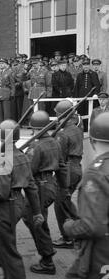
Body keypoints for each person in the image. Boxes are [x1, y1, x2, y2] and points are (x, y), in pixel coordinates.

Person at [0, 120, 42, 279]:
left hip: (5, 205)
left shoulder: (3, 158)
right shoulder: (22, 155)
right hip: (18, 202)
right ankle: (9, 278)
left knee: (7, 247)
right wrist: (37, 211)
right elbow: (32, 186)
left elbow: (0, 192)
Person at [64, 112, 109, 279]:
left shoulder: (96, 173)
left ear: (91, 140)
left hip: (101, 253)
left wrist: (69, 227)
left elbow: (92, 225)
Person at [23, 111, 68, 275]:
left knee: (34, 219)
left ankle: (47, 259)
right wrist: (64, 188)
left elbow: (29, 170)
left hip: (39, 186)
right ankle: (46, 251)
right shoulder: (55, 142)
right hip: (50, 185)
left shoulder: (36, 146)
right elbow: (62, 167)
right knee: (38, 218)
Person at [53, 100, 84, 249]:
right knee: (66, 202)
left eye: (58, 115)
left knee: (60, 204)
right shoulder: (77, 129)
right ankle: (80, 230)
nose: (57, 118)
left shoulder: (63, 134)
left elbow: (59, 157)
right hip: (76, 168)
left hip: (68, 170)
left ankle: (67, 238)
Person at [73, 58, 100, 132]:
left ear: (89, 65)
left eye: (87, 65)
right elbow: (76, 88)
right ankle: (83, 129)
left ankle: (90, 129)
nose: (86, 67)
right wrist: (75, 99)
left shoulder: (94, 74)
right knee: (81, 113)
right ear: (82, 66)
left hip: (90, 99)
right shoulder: (79, 75)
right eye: (84, 65)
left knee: (91, 113)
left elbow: (97, 86)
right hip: (81, 98)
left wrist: (95, 94)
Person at [0, 58, 15, 123]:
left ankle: (6, 126)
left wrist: (12, 94)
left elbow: (12, 84)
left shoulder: (9, 72)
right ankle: (1, 126)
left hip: (6, 92)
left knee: (6, 112)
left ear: (6, 64)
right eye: (0, 63)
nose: (1, 65)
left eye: (3, 63)